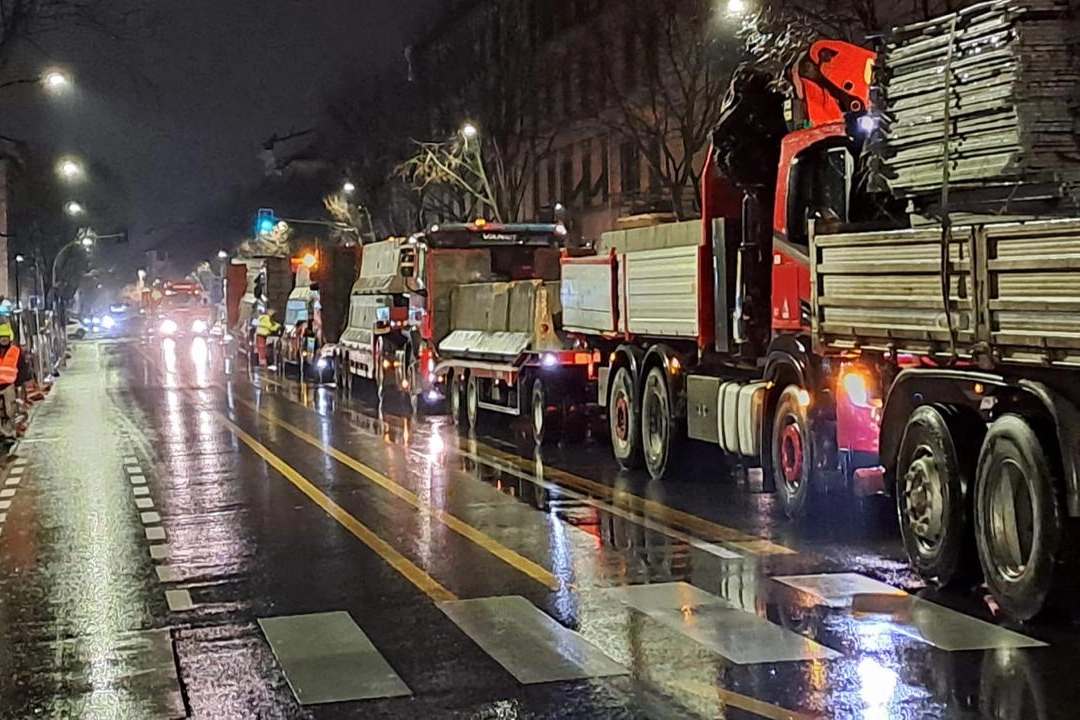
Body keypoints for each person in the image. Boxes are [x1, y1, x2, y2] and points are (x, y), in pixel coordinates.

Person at [0, 324, 29, 440]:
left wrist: (20, 383)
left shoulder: (15, 351)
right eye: (1, 337)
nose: (3, 339)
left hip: (9, 386)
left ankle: (10, 433)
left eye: (6, 337)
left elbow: (22, 367)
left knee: (10, 411)